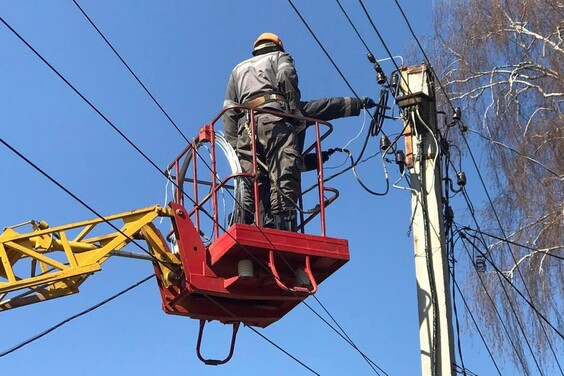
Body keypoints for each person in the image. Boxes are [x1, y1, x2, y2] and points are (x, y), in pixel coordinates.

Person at [222, 32, 303, 231]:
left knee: (249, 176)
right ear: (278, 46)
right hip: (275, 117)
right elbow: (286, 75)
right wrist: (294, 109)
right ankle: (283, 222)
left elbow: (228, 110)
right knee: (284, 167)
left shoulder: (237, 69)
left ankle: (244, 220)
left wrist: (233, 145)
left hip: (246, 126)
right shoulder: (279, 57)